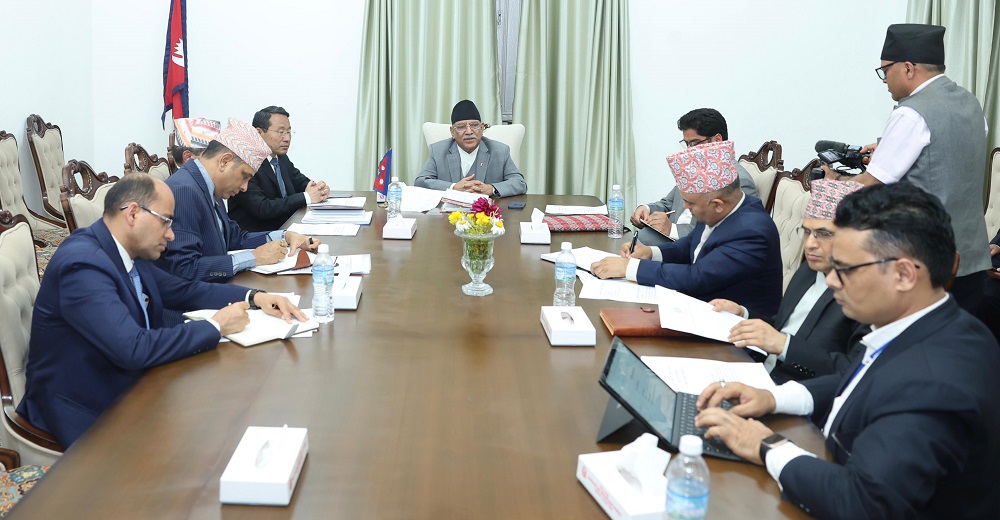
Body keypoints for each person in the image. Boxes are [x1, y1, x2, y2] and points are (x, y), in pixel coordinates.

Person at [695, 183, 1000, 518]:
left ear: (903, 274)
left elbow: (863, 502)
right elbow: (859, 379)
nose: (831, 281)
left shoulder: (932, 383)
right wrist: (774, 398)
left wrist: (766, 446)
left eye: (846, 269)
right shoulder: (938, 323)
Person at [16, 174, 306, 447]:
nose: (171, 235)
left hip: (134, 384)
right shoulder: (83, 265)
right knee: (210, 437)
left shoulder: (126, 249)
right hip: (88, 409)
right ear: (133, 213)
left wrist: (255, 296)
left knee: (231, 409)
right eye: (166, 222)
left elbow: (182, 290)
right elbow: (133, 348)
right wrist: (216, 326)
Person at [825, 23, 990, 312]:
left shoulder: (911, 113)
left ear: (908, 68)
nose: (885, 81)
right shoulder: (970, 103)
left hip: (924, 264)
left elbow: (868, 186)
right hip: (973, 260)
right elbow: (948, 154)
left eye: (885, 71)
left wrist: (833, 180)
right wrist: (888, 149)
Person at [591, 140, 782, 316]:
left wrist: (630, 268)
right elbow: (690, 244)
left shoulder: (751, 231)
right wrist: (651, 252)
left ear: (717, 204)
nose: (685, 207)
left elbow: (697, 277)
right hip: (700, 306)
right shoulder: (718, 209)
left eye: (690, 203)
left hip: (736, 327)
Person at [710, 180, 866, 383]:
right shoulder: (808, 270)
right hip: (757, 370)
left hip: (800, 390)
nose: (810, 244)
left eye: (824, 234)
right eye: (807, 232)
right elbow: (786, 327)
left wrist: (784, 345)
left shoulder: (866, 294)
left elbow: (853, 372)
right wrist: (743, 314)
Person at [160, 118, 320, 282]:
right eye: (244, 176)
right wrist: (253, 258)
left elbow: (235, 238)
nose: (244, 187)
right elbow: (186, 270)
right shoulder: (184, 190)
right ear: (224, 161)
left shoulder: (210, 186)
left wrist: (285, 237)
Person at [630, 108, 758, 246]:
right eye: (686, 144)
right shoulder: (695, 170)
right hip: (658, 242)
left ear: (717, 140)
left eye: (695, 143)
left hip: (687, 250)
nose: (689, 150)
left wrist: (672, 229)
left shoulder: (738, 181)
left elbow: (725, 233)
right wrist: (646, 209)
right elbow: (669, 204)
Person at [227, 106, 332, 231]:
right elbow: (262, 208)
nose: (287, 138)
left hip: (286, 230)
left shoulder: (281, 158)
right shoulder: (245, 162)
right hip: (257, 237)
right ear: (259, 133)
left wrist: (319, 189)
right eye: (281, 132)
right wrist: (307, 197)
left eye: (289, 132)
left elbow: (301, 182)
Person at [414, 99, 527, 197]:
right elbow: (420, 182)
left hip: (486, 212)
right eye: (461, 127)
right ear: (452, 132)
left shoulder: (500, 151)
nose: (469, 132)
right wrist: (453, 187)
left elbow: (519, 183)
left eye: (474, 125)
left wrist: (491, 189)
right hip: (449, 212)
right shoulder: (438, 150)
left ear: (482, 128)